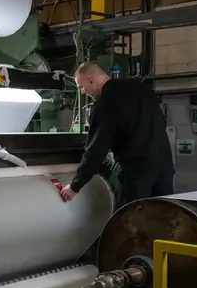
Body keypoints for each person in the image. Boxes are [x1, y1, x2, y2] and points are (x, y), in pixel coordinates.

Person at [61, 62, 175, 205]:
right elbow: (162, 122)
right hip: (164, 166)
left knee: (129, 220)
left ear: (91, 80)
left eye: (82, 87)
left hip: (137, 172)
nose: (83, 92)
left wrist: (75, 186)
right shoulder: (140, 88)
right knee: (164, 214)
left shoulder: (104, 105)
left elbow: (96, 151)